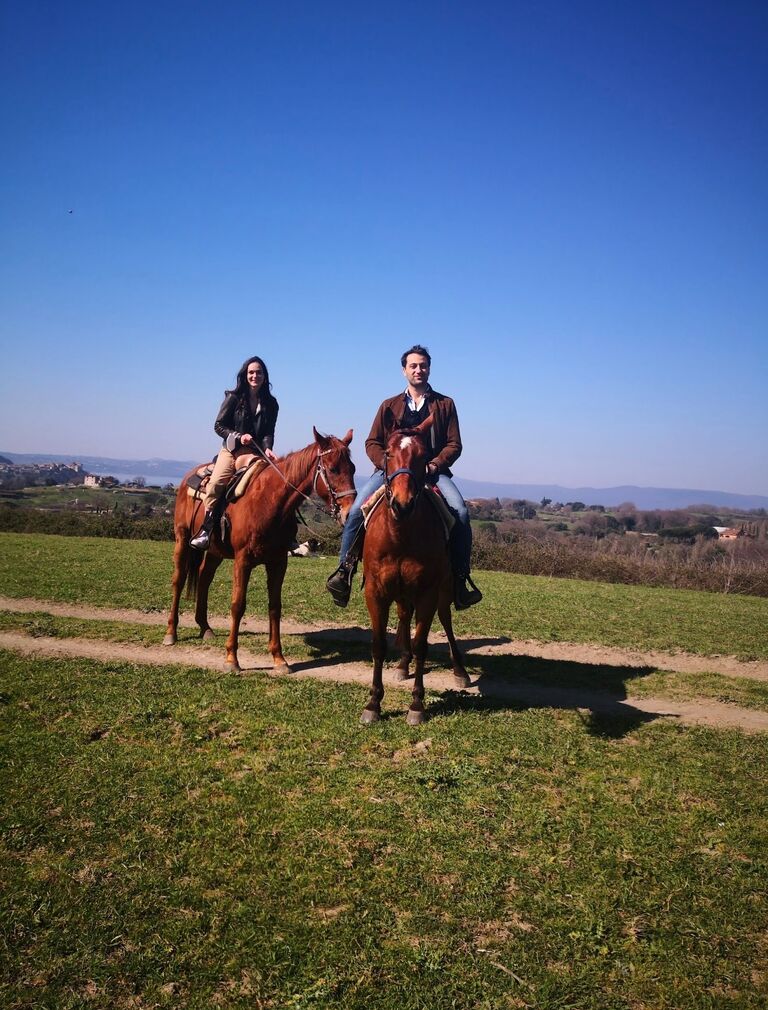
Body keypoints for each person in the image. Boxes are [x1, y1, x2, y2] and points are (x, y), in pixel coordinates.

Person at [325, 345, 482, 610]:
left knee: (461, 513)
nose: (418, 370)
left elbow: (454, 444)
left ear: (429, 369)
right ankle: (345, 570)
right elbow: (372, 442)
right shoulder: (389, 405)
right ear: (404, 370)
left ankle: (460, 578)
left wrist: (434, 465)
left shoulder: (445, 405)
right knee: (354, 513)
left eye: (423, 365)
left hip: (431, 473)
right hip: (392, 473)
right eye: (413, 366)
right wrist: (386, 466)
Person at [190, 355, 279, 550]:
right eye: (251, 372)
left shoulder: (272, 403)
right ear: (245, 375)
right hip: (231, 449)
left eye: (259, 372)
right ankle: (206, 529)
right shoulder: (233, 397)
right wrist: (239, 436)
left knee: (273, 483)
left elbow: (268, 431)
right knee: (216, 483)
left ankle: (282, 533)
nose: (255, 376)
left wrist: (268, 448)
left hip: (254, 452)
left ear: (265, 376)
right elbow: (219, 426)